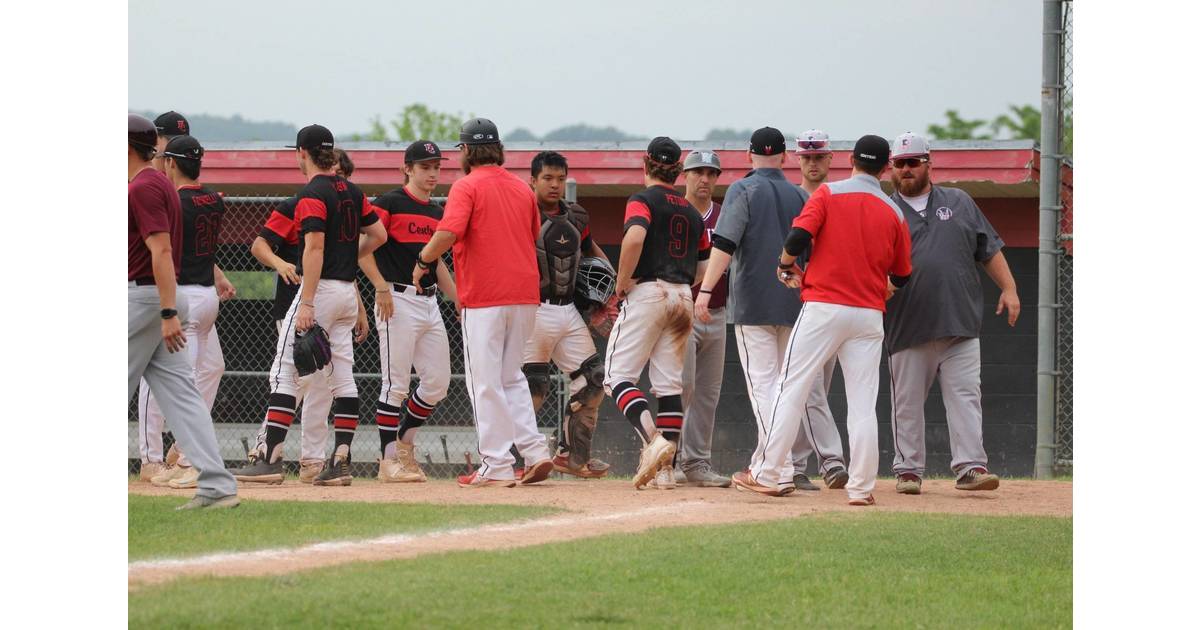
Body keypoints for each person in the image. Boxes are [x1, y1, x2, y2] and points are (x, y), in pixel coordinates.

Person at [732, 134, 912, 506]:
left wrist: (784, 265)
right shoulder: (893, 210)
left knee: (789, 385)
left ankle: (766, 472)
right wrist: (886, 288)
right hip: (868, 315)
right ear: (886, 166)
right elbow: (904, 275)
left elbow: (798, 235)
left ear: (850, 160)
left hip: (824, 306)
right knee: (863, 404)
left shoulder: (829, 194)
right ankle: (861, 489)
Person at [229, 124, 386, 486]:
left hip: (323, 291)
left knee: (286, 372)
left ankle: (269, 459)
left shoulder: (312, 192)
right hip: (347, 290)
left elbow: (313, 248)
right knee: (342, 379)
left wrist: (308, 301)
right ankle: (341, 462)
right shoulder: (353, 191)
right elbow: (379, 235)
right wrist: (347, 258)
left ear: (302, 153)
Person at [694, 127, 848, 493]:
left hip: (753, 303)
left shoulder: (743, 189)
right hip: (797, 303)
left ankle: (773, 470)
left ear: (749, 156)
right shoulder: (799, 194)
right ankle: (777, 465)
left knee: (764, 386)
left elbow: (725, 244)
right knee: (787, 389)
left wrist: (705, 290)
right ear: (783, 157)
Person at [414, 118, 555, 488]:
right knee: (512, 377)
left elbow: (447, 232)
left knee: (485, 381)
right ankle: (536, 451)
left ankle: (496, 463)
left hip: (486, 296)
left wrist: (424, 260)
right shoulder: (522, 189)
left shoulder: (467, 185)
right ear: (498, 148)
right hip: (524, 295)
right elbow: (533, 234)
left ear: (465, 151)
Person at [885, 132, 1017, 494]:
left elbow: (987, 248)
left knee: (966, 398)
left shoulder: (958, 201)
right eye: (900, 163)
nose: (907, 169)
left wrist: (1009, 288)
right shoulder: (886, 209)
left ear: (929, 163)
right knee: (907, 404)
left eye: (914, 162)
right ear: (891, 168)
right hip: (907, 324)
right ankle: (908, 471)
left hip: (959, 322)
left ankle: (971, 467)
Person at [127, 113, 238, 510]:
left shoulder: (143, 185)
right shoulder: (161, 183)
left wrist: (168, 310)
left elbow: (160, 249)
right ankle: (217, 484)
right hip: (168, 297)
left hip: (148, 298)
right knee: (185, 397)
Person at [604, 136, 711, 490]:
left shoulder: (642, 199)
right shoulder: (692, 212)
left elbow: (635, 238)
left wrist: (622, 282)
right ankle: (665, 472)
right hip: (682, 295)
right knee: (669, 388)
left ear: (645, 165)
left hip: (648, 290)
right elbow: (702, 268)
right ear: (679, 171)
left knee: (616, 378)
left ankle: (654, 442)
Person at [360, 140, 459, 483]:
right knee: (395, 385)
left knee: (437, 382)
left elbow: (437, 260)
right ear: (407, 168)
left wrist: (457, 298)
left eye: (436, 167)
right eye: (425, 167)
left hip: (429, 301)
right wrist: (380, 285)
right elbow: (362, 249)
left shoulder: (435, 211)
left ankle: (404, 443)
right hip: (396, 299)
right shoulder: (389, 203)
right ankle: (388, 463)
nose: (432, 173)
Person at [520, 151, 612, 479]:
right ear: (532, 180)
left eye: (560, 178)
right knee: (533, 388)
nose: (555, 185)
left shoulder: (576, 216)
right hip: (532, 309)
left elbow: (590, 249)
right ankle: (518, 461)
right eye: (547, 178)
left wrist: (612, 282)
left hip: (568, 310)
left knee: (594, 380)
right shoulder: (521, 212)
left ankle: (571, 457)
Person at [674, 150, 730, 488]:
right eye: (698, 172)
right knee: (682, 387)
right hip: (682, 313)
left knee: (709, 392)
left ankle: (698, 463)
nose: (705, 179)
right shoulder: (676, 213)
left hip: (718, 311)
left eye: (711, 173)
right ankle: (672, 458)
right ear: (686, 175)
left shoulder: (726, 215)